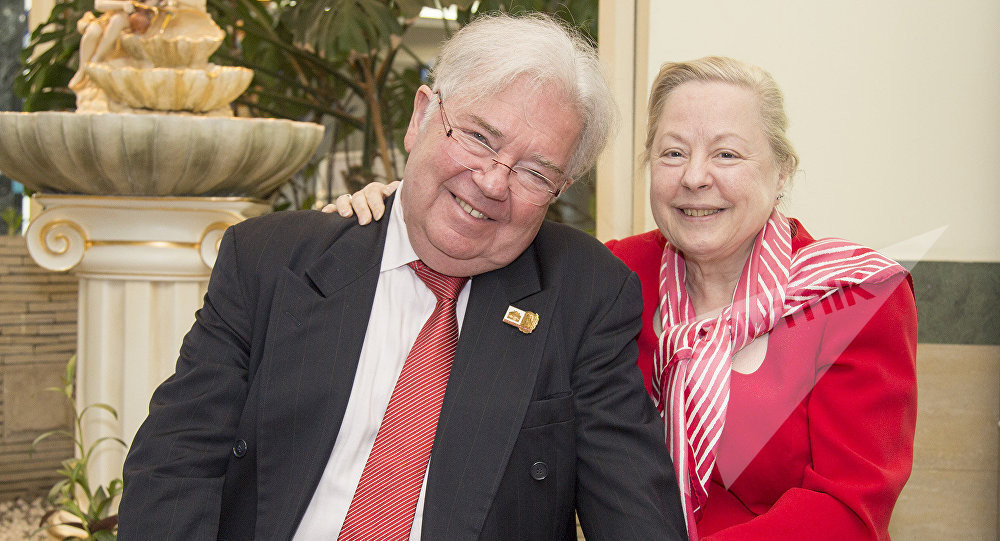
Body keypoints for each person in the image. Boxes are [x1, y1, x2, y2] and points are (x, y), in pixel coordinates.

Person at [118, 13, 686, 541]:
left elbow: (634, 507)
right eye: (479, 138)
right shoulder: (272, 261)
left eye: (535, 172)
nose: (492, 181)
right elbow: (176, 465)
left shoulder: (583, 295)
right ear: (421, 117)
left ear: (558, 192)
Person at [334, 56, 918, 540]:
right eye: (672, 152)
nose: (694, 177)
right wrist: (410, 205)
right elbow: (484, 249)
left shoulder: (856, 295)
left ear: (782, 170)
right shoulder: (611, 275)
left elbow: (848, 508)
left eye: (727, 154)